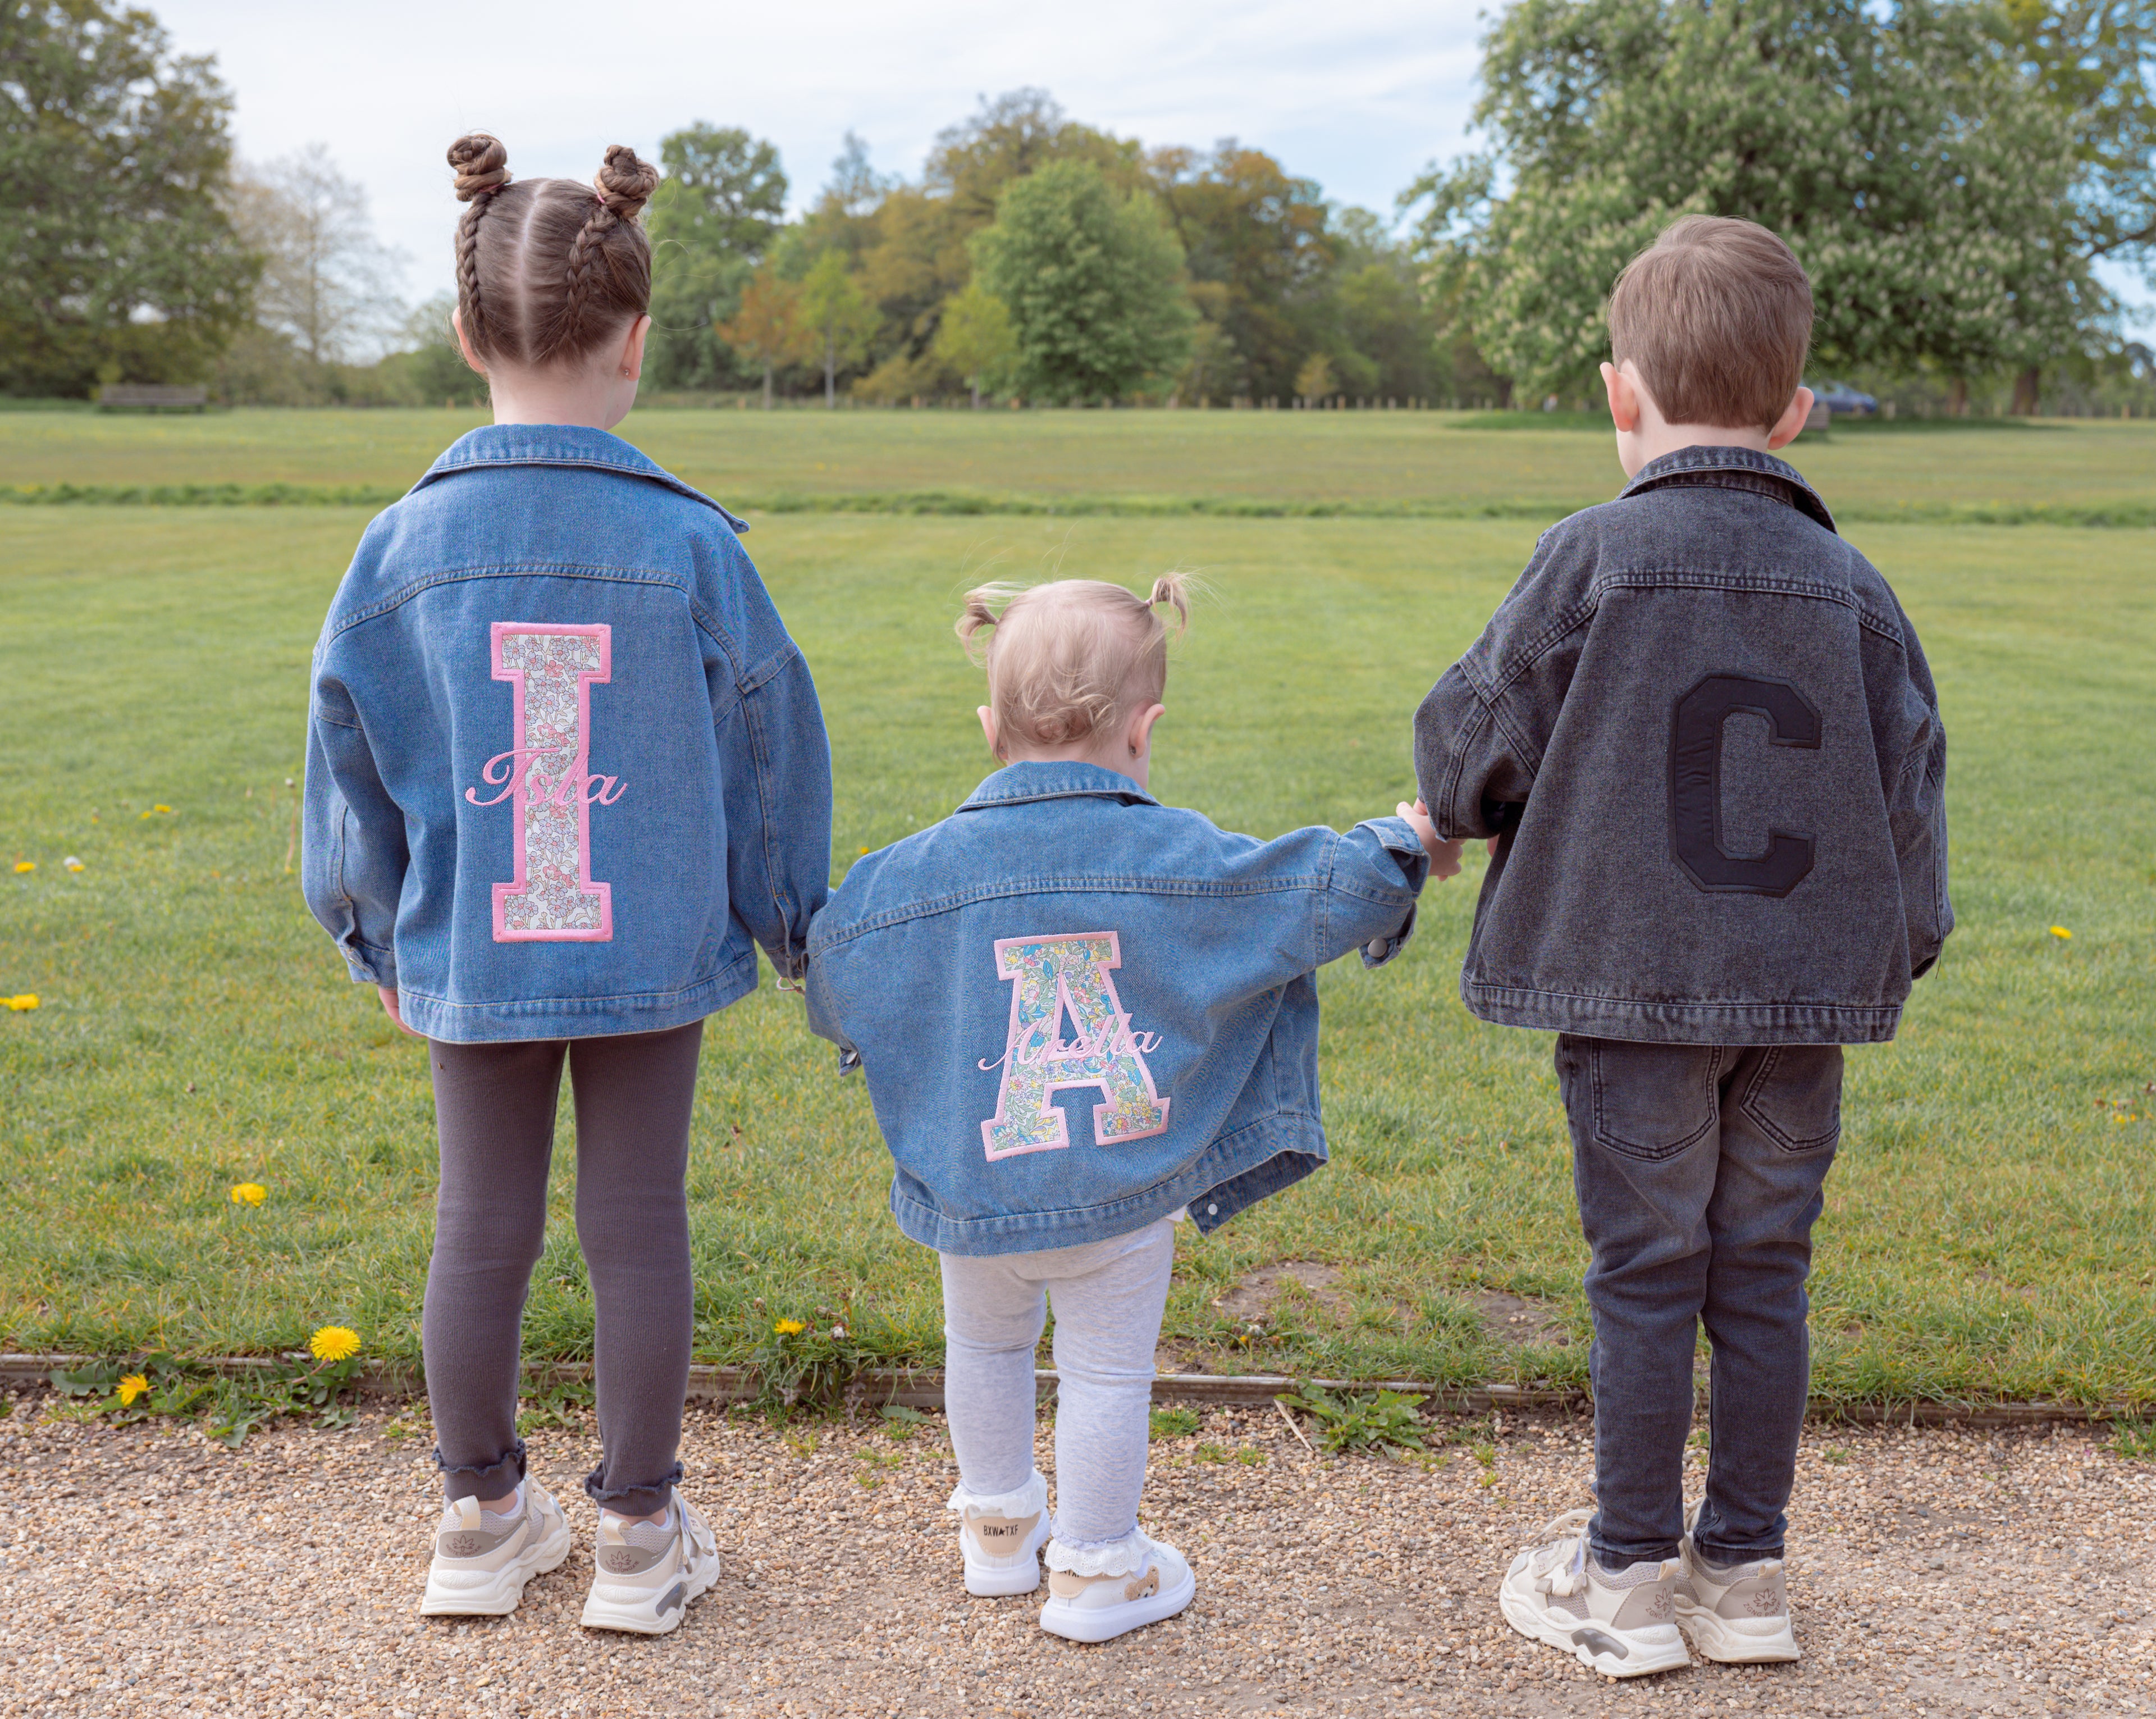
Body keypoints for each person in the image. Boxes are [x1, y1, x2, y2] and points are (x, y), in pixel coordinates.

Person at [301, 133, 833, 1636]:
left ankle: (477, 1515)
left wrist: (374, 928)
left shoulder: (396, 547)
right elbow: (772, 745)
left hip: (471, 943)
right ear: (638, 340)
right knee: (637, 1228)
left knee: (480, 1227)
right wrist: (787, 913)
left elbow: (348, 762)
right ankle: (636, 1536)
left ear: (466, 333)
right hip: (650, 941)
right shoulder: (688, 543)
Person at [1413, 216, 1951, 1677]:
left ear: (1619, 393)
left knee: (1647, 1270)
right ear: (1794, 411)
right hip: (1797, 1003)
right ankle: (1747, 1569)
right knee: (1765, 1269)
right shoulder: (1857, 591)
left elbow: (1472, 736)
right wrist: (1891, 952)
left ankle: (1632, 1573)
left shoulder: (1589, 560)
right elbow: (1914, 803)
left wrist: (1452, 810)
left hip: (1633, 988)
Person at [805, 576, 1461, 1643]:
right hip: (1121, 1188)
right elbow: (1309, 890)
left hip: (977, 1184)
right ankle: (1102, 1570)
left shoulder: (911, 874)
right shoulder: (1181, 858)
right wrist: (1399, 843)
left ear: (989, 727)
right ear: (1145, 729)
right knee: (1106, 1371)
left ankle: (999, 1539)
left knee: (984, 1347)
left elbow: (832, 970)